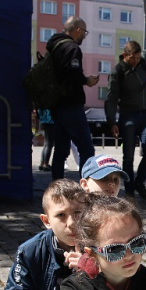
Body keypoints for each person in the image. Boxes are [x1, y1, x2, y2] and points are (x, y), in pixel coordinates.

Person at [105, 40, 146, 200]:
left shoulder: (142, 62)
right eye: (133, 58)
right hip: (128, 116)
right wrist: (112, 122)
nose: (137, 61)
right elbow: (111, 99)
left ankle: (139, 181)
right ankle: (130, 190)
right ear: (125, 55)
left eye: (139, 58)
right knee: (129, 156)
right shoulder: (117, 72)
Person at [47, 16, 99, 180]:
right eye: (84, 32)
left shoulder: (55, 47)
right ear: (78, 30)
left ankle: (56, 188)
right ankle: (86, 189)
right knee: (87, 149)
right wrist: (87, 80)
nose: (84, 35)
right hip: (71, 105)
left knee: (61, 150)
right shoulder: (72, 48)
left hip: (57, 105)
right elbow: (72, 74)